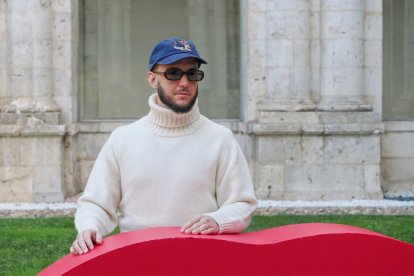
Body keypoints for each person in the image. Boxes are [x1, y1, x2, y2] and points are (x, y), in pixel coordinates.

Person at [70, 37, 258, 255]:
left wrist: (218, 220)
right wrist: (89, 228)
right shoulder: (123, 139)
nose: (184, 82)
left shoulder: (220, 139)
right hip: (136, 260)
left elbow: (242, 203)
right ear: (152, 79)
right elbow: (96, 204)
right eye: (173, 73)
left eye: (192, 74)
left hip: (202, 260)